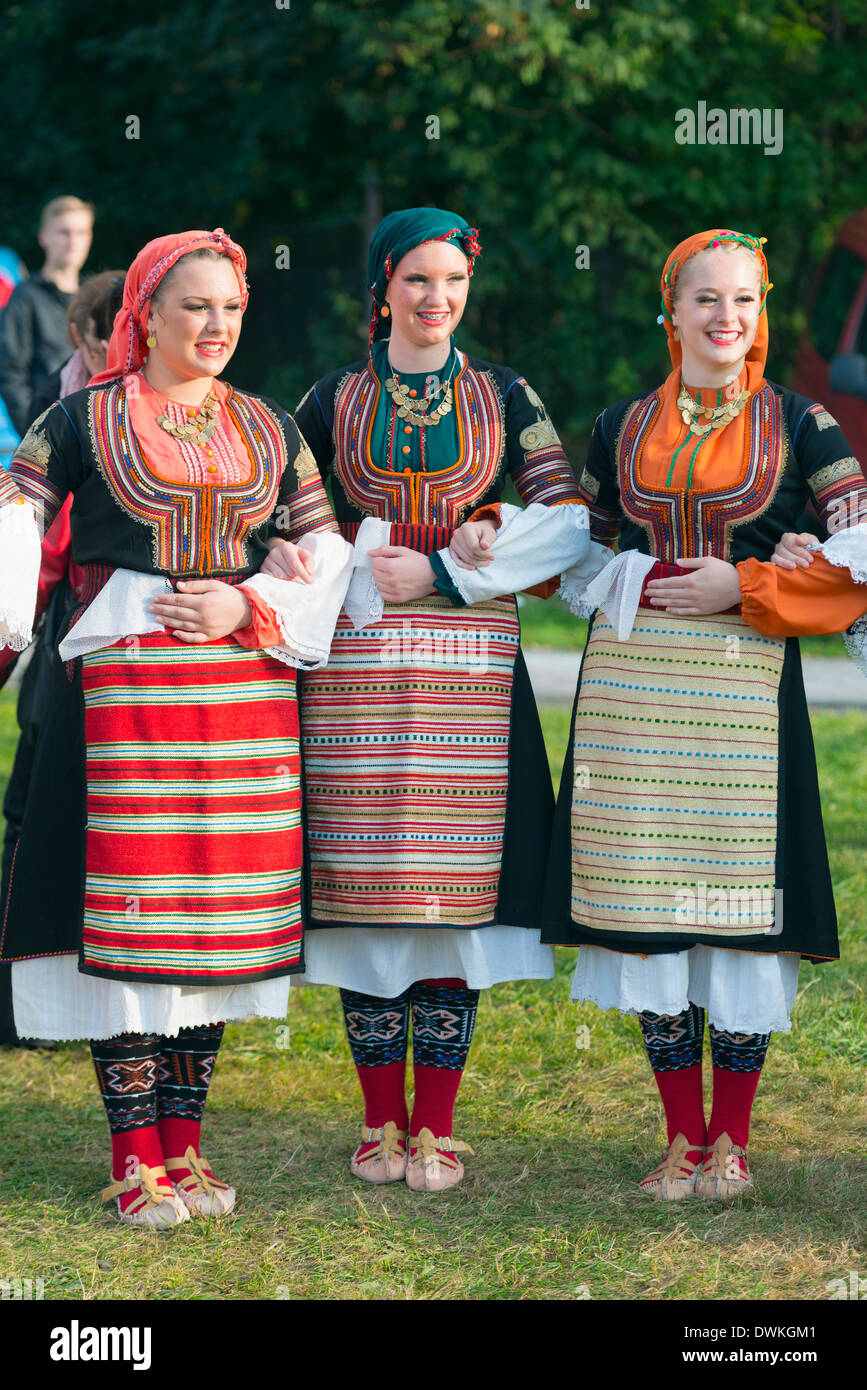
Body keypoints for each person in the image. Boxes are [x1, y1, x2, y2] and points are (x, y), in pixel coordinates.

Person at [0, 228, 351, 1225]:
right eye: (195, 306)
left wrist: (249, 608)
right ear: (144, 313)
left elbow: (322, 554)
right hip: (123, 706)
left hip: (241, 708)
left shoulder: (272, 427)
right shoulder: (77, 420)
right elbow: (12, 523)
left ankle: (188, 1148)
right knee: (130, 929)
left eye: (232, 309)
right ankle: (134, 1158)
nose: (216, 326)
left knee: (217, 929)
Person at [263, 206, 588, 1192]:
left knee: (451, 909)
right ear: (382, 291)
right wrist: (348, 553)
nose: (436, 299)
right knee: (368, 904)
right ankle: (378, 1124)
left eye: (451, 281)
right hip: (360, 675)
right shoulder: (330, 398)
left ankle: (436, 1126)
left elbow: (570, 524)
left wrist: (453, 561)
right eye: (416, 280)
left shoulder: (503, 395)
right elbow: (286, 518)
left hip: (468, 676)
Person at [542, 228, 867, 1200]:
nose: (727, 319)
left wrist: (750, 581)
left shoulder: (803, 423)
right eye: (707, 301)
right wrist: (629, 574)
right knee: (650, 915)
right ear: (670, 309)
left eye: (745, 301)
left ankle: (732, 1140)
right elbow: (579, 559)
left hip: (744, 706)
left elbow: (862, 555)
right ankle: (681, 1136)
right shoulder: (618, 425)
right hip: (635, 701)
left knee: (736, 924)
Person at [0, 271, 125, 1049]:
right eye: (107, 332)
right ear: (81, 338)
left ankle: (124, 999)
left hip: (153, 672)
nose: (121, 346)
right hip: (63, 652)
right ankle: (23, 1005)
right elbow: (33, 553)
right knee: (37, 821)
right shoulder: (68, 421)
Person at [0, 196, 94, 435]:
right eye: (64, 232)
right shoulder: (24, 298)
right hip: (49, 433)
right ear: (44, 237)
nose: (73, 242)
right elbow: (11, 376)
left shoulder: (95, 297)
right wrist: (36, 438)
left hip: (94, 430)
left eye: (81, 232)